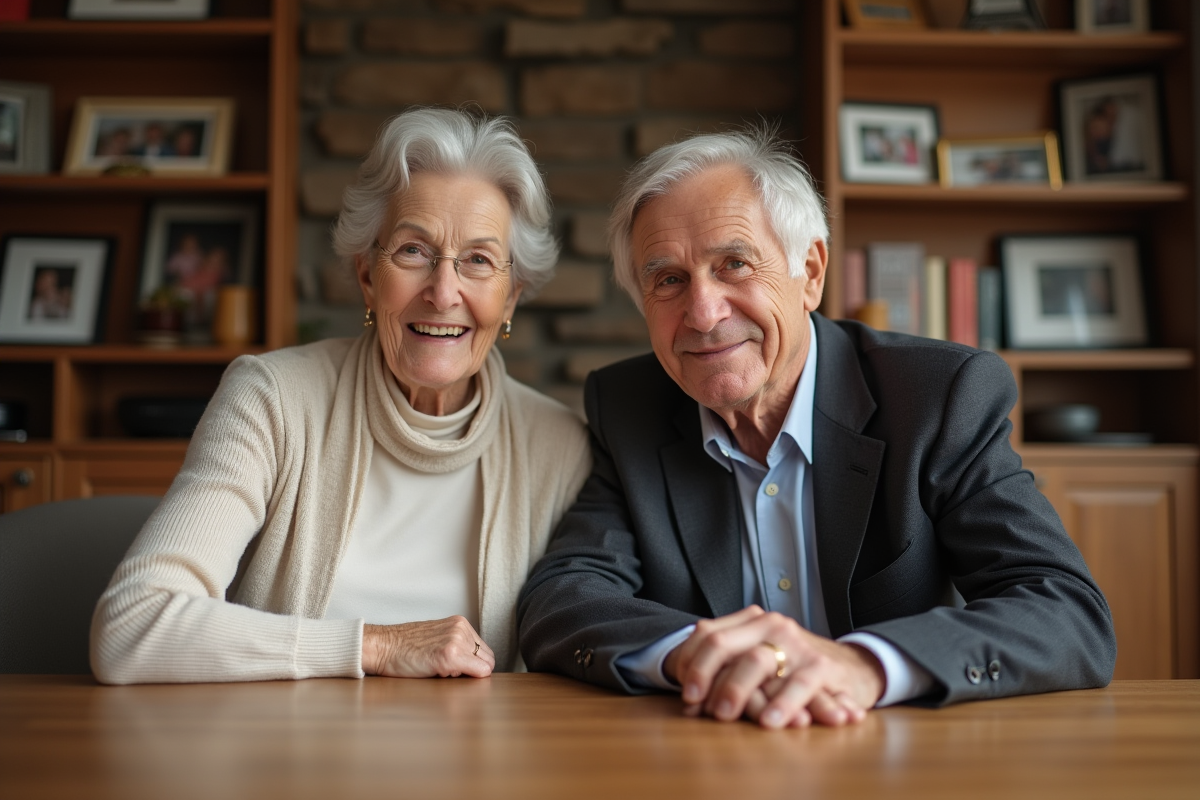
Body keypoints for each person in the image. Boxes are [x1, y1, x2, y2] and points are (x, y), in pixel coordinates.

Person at [517, 127, 1115, 728]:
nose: (703, 313)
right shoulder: (630, 406)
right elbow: (564, 598)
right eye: (668, 279)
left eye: (734, 263)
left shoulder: (938, 396)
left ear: (810, 271)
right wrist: (691, 655)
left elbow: (1065, 612)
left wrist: (864, 667)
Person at [92, 108, 591, 684]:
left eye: (478, 260)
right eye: (413, 251)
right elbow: (131, 626)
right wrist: (375, 646)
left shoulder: (559, 448)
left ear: (509, 298)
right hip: (289, 759)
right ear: (366, 276)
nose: (443, 291)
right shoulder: (273, 402)